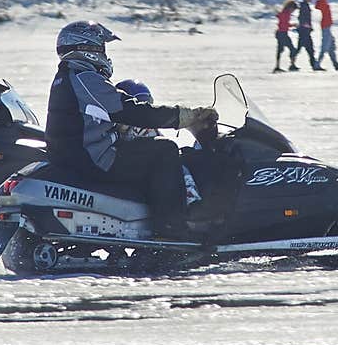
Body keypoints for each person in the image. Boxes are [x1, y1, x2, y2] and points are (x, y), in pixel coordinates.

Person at [45, 20, 218, 239]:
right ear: (89, 49)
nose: (105, 54)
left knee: (145, 149)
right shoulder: (84, 77)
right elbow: (130, 110)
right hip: (94, 159)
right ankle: (172, 230)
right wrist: (182, 116)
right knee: (164, 150)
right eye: (102, 48)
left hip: (77, 156)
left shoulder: (68, 76)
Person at [293, 0, 321, 71]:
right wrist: (305, 24)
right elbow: (301, 17)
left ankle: (313, 65)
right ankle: (293, 63)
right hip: (303, 31)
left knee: (309, 49)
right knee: (303, 49)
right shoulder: (304, 5)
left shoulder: (306, 5)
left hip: (306, 31)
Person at [273, 0, 299, 73]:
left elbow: (281, 21)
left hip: (281, 33)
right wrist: (293, 25)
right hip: (282, 34)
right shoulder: (286, 13)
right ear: (290, 7)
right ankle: (292, 65)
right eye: (293, 9)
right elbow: (284, 24)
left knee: (280, 50)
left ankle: (278, 66)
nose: (293, 11)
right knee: (292, 49)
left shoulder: (284, 12)